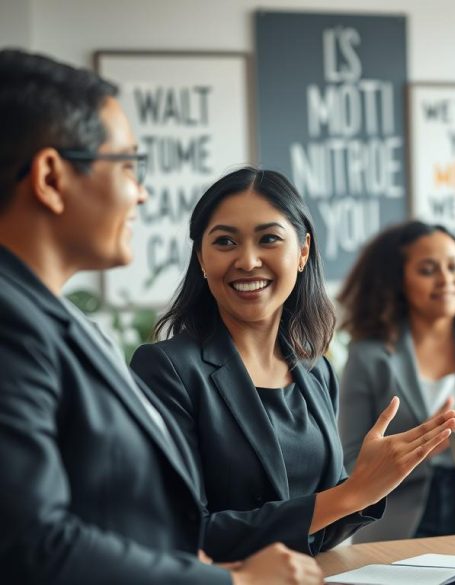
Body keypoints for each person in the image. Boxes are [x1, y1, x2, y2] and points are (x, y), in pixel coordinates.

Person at [0, 49, 322, 584]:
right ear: (51, 178)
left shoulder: (67, 326)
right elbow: (28, 544)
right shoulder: (12, 325)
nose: (142, 193)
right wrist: (235, 582)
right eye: (127, 165)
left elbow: (125, 518)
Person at [130, 168, 455, 562]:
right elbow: (181, 532)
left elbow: (320, 528)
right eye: (225, 242)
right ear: (201, 257)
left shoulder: (315, 370)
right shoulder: (166, 370)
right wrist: (352, 493)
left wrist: (370, 485)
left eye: (269, 239)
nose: (248, 261)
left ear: (302, 252)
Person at [338, 220, 455, 541]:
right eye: (428, 270)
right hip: (395, 527)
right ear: (398, 281)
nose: (446, 280)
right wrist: (422, 447)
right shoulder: (368, 355)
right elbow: (350, 465)